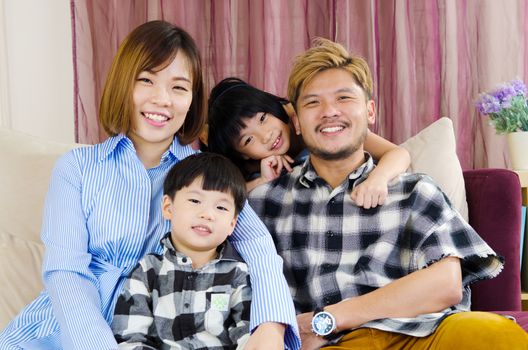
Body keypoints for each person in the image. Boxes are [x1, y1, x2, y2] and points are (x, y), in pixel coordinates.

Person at [0, 21, 299, 350]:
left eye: (179, 88)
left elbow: (258, 245)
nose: (162, 100)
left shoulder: (203, 173)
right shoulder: (77, 169)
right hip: (65, 331)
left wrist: (271, 327)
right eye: (146, 80)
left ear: (191, 102)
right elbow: (66, 271)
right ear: (124, 85)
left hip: (160, 331)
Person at [248, 38, 528, 349]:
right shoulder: (265, 203)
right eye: (313, 103)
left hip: (418, 335)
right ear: (297, 122)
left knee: (495, 334)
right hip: (333, 346)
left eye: (344, 98)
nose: (329, 112)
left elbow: (447, 284)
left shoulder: (414, 190)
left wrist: (328, 319)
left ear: (370, 111)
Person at [112, 152, 252, 349]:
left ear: (232, 224)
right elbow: (130, 337)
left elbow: (249, 334)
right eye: (195, 201)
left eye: (221, 207)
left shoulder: (238, 274)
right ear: (168, 207)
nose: (207, 214)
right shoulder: (147, 271)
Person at [207, 77, 410, 209]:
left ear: (275, 108)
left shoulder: (312, 120)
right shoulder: (252, 166)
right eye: (248, 139)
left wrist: (378, 178)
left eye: (262, 119)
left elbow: (399, 154)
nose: (266, 136)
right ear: (242, 154)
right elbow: (216, 196)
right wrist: (262, 181)